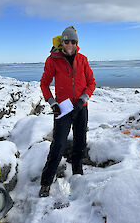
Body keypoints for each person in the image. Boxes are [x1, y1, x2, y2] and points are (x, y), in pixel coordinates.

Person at [39, 26, 96, 197]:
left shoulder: (83, 59)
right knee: (58, 145)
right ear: (62, 42)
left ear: (76, 43)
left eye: (73, 41)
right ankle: (46, 182)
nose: (70, 44)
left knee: (80, 142)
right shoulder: (53, 60)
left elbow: (91, 82)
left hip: (81, 108)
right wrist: (52, 102)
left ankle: (78, 174)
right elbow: (44, 83)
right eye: (66, 41)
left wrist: (83, 99)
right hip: (62, 110)